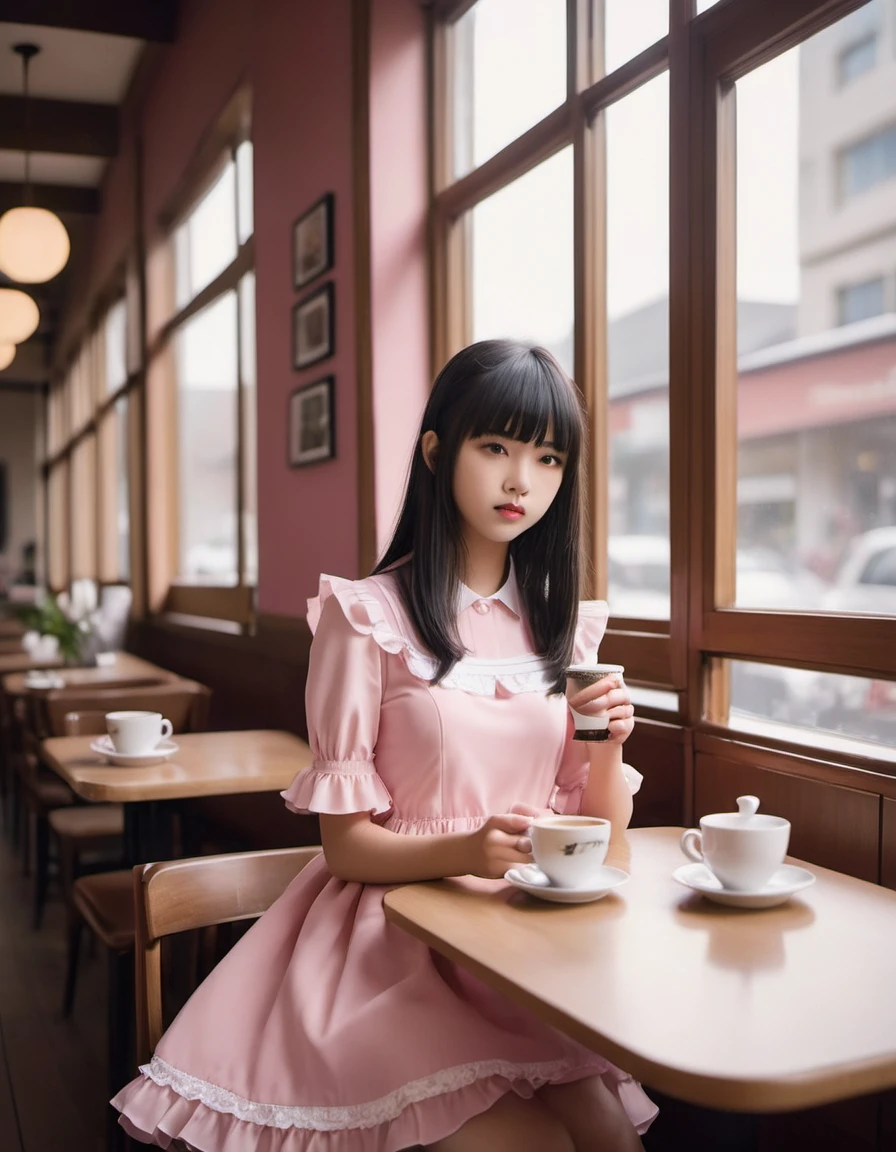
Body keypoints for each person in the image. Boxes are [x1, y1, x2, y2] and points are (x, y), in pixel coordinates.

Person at [113, 339, 657, 1150]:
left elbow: (604, 845)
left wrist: (608, 743)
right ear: (437, 452)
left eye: (548, 458)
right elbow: (345, 847)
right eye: (496, 447)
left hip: (521, 947)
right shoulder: (365, 616)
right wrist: (469, 847)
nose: (522, 480)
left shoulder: (562, 625)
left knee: (611, 1136)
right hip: (393, 943)